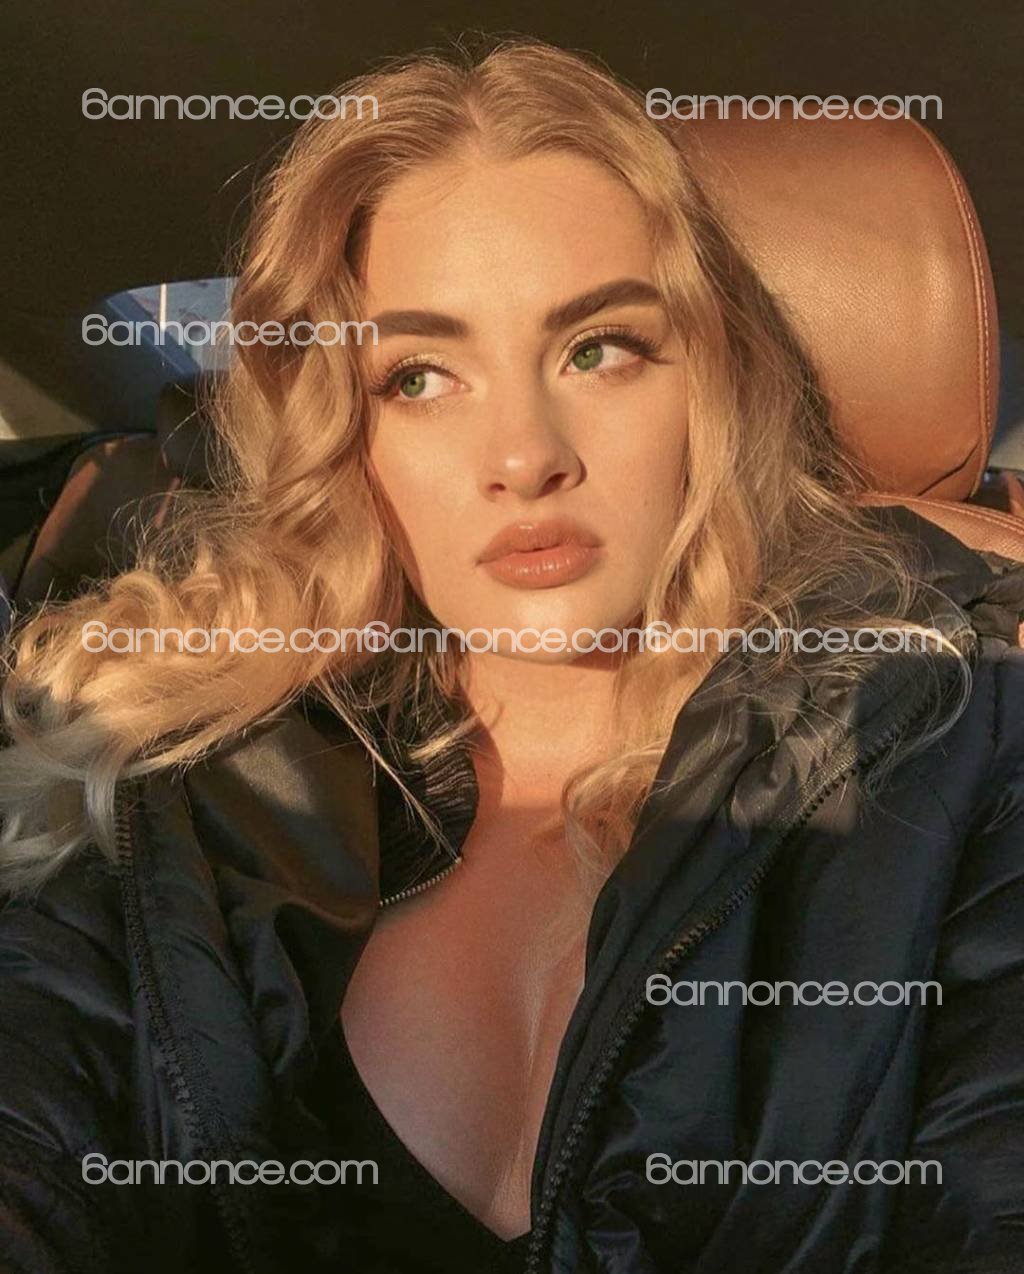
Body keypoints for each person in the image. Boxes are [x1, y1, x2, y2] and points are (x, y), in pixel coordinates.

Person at [1, 37, 1022, 1274]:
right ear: (343, 431)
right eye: (420, 376)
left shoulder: (950, 740)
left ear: (711, 383)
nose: (525, 455)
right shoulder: (168, 784)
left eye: (598, 348)